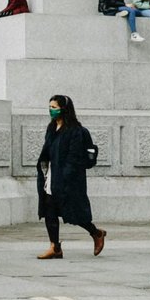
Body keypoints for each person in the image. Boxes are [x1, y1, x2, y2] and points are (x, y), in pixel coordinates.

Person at [35, 93, 105, 259]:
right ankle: (55, 247)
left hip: (69, 179)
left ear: (64, 109)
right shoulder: (52, 128)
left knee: (75, 213)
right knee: (49, 208)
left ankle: (96, 233)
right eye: (50, 107)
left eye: (54, 108)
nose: (51, 111)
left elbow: (73, 158)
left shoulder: (75, 131)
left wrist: (65, 176)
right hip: (52, 175)